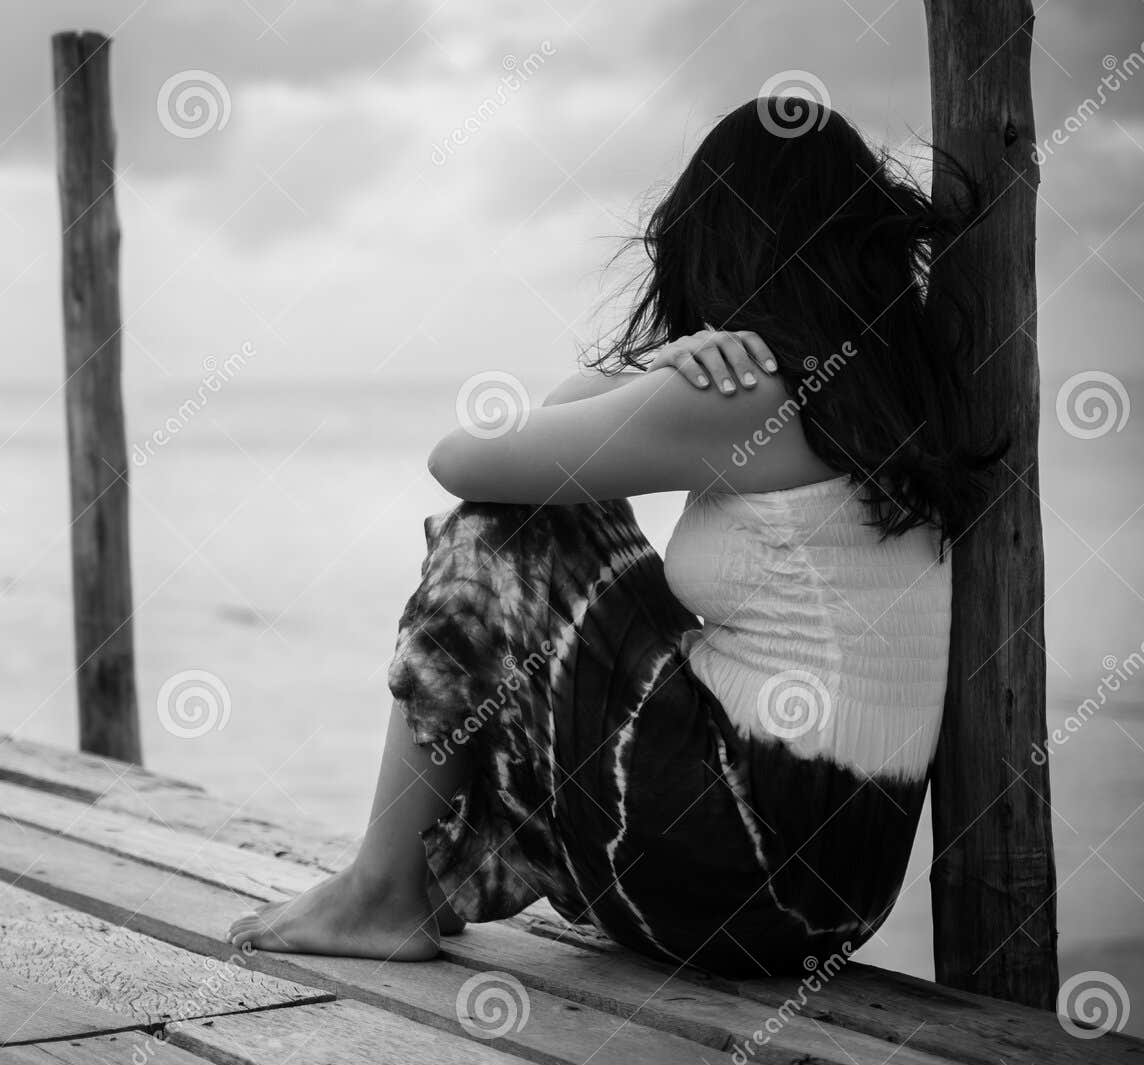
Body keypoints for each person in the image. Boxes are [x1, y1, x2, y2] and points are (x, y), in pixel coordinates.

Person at [229, 96, 999, 976]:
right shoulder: (893, 403)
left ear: (721, 242)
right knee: (543, 517)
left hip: (744, 855)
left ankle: (380, 891)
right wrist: (661, 374)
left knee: (495, 535)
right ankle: (407, 880)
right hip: (831, 891)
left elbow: (466, 463)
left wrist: (647, 370)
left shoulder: (747, 393)